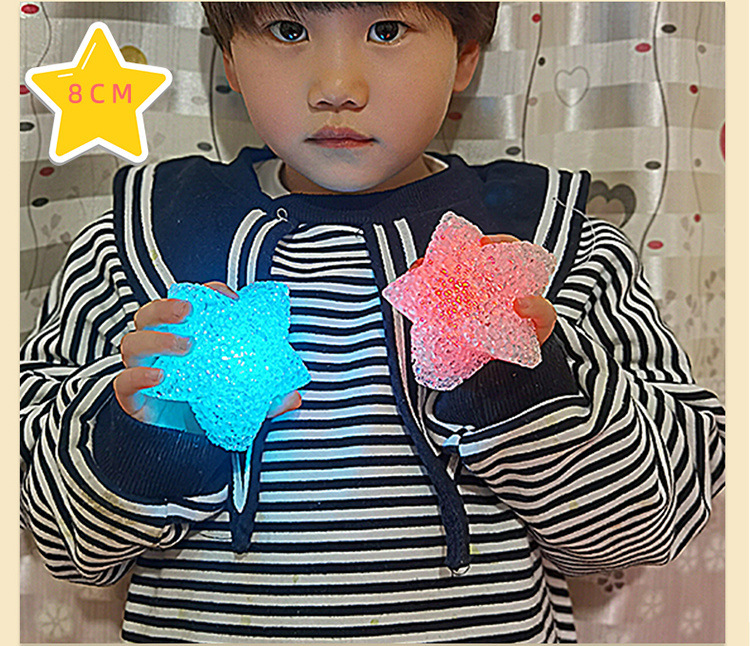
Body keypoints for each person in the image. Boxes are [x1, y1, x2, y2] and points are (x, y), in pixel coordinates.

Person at [20, 2, 725, 643]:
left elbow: (645, 529)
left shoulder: (553, 245)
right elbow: (65, 544)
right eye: (288, 30)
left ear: (465, 55)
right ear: (230, 60)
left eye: (387, 31)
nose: (337, 86)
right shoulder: (141, 243)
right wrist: (154, 439)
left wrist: (520, 389)